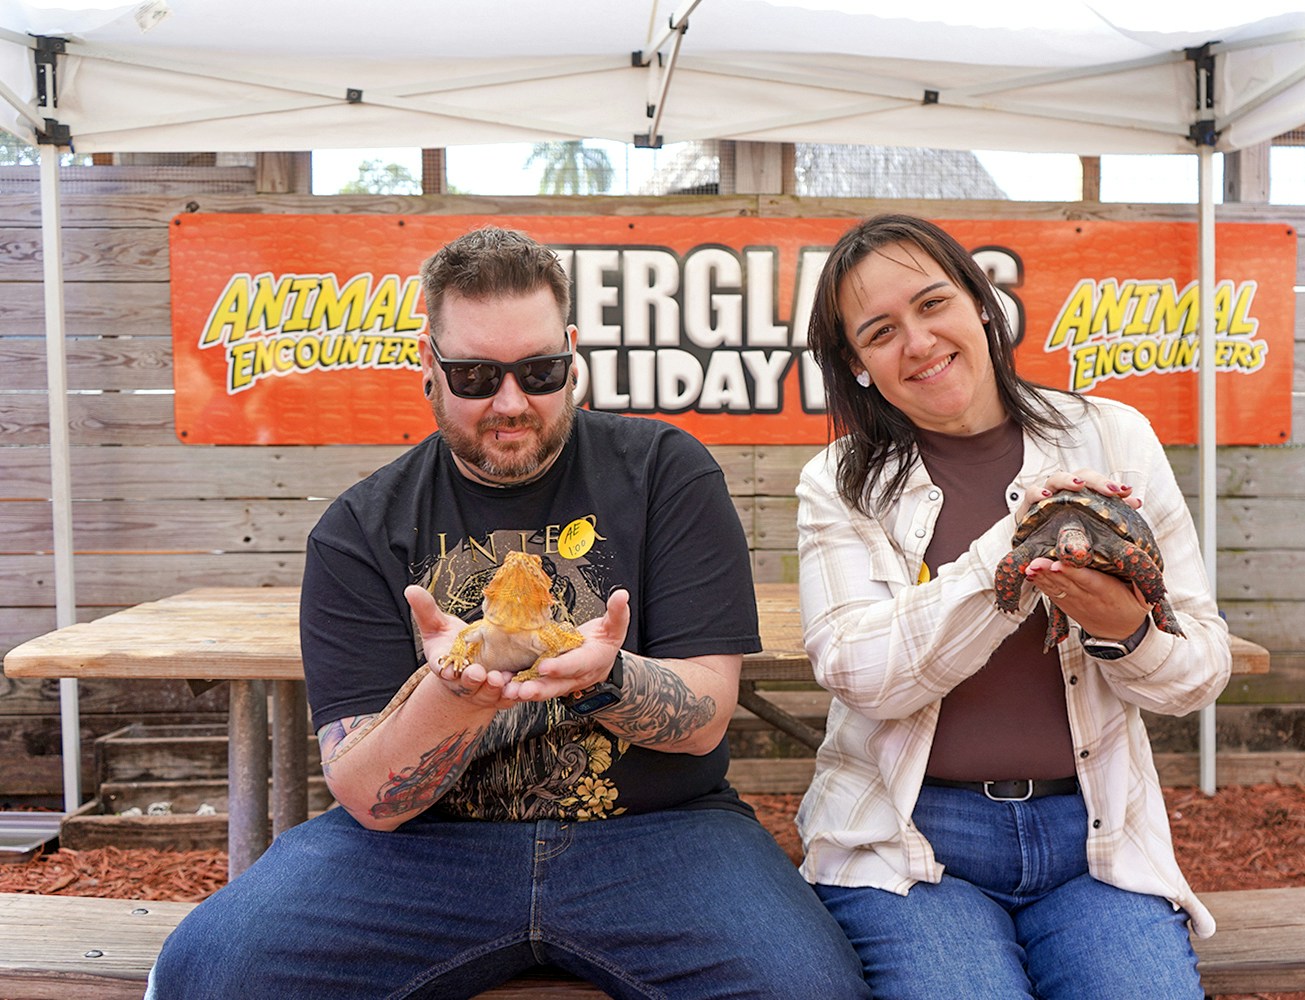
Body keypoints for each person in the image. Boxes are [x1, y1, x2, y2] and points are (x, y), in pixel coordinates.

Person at [148, 226, 869, 1000]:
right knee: (208, 972)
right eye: (474, 375)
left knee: (809, 986)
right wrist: (455, 689)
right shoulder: (359, 527)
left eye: (540, 369)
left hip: (661, 836)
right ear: (429, 364)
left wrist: (605, 675)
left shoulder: (666, 471)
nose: (511, 402)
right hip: (426, 852)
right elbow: (366, 795)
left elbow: (704, 719)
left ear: (572, 354)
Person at [794, 213, 1232, 999]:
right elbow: (862, 674)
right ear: (856, 365)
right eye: (881, 332)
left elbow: (1198, 670)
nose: (919, 342)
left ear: (982, 304)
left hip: (1095, 844)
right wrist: (1017, 545)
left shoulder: (1112, 437)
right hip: (908, 847)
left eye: (933, 305)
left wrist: (1123, 629)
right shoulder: (841, 482)